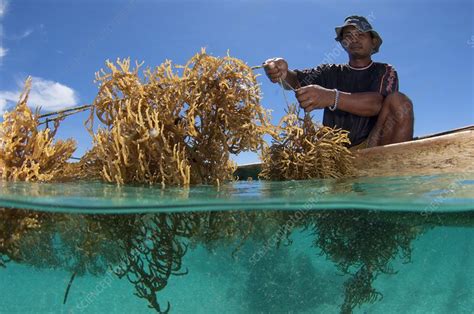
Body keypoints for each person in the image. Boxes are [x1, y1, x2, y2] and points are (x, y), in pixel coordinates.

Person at [263, 15, 414, 149]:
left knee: (400, 102)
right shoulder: (330, 71)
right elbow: (295, 80)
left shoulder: (385, 70)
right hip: (334, 152)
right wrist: (282, 73)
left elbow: (377, 104)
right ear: (343, 43)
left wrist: (331, 97)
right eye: (348, 35)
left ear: (373, 42)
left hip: (372, 146)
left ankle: (390, 168)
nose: (354, 39)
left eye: (361, 34)